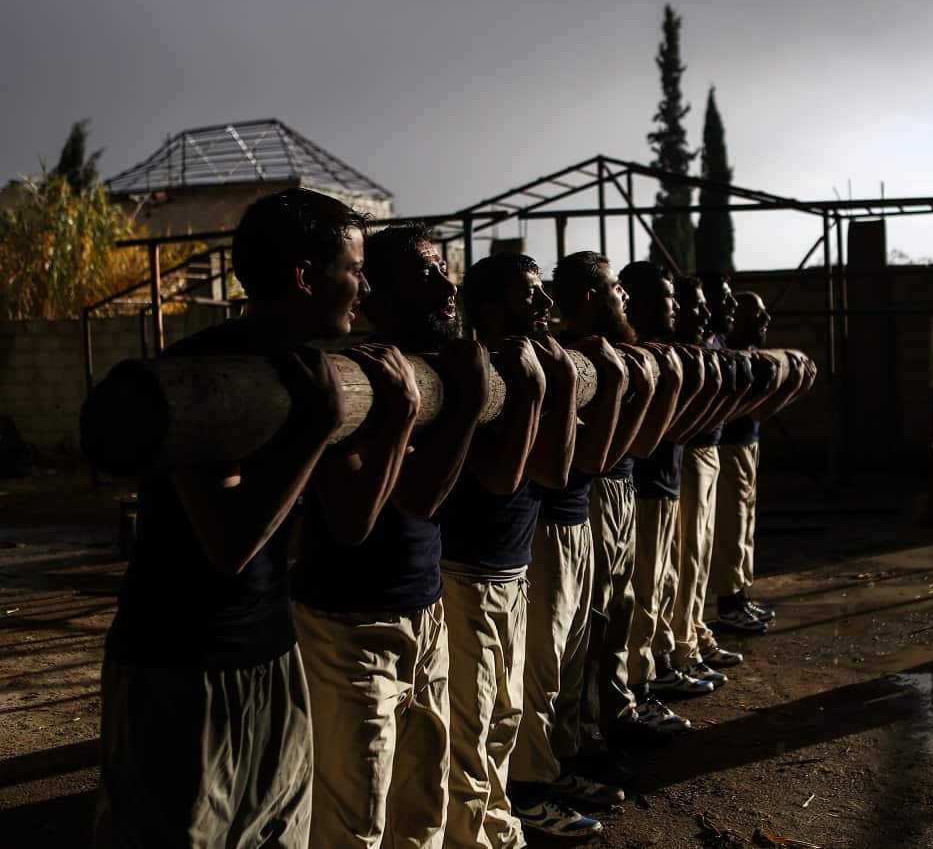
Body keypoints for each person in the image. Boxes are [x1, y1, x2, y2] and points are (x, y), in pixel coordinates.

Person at [94, 188, 367, 847]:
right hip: (181, 666)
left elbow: (354, 516)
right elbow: (229, 542)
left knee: (278, 832)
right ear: (305, 276)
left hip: (271, 653)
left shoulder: (313, 373)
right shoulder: (201, 376)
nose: (364, 285)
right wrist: (316, 429)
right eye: (353, 269)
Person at [291, 223, 490, 847]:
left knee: (423, 802)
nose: (446, 286)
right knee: (354, 820)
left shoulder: (431, 367)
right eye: (424, 275)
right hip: (351, 627)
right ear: (375, 295)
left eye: (443, 271)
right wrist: (465, 403)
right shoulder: (354, 374)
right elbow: (418, 499)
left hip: (423, 610)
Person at [435, 253, 576, 849]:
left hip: (510, 565)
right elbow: (503, 480)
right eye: (529, 295)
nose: (545, 305)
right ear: (491, 309)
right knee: (473, 722)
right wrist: (546, 387)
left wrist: (560, 384)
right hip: (470, 568)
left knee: (504, 714)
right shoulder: (486, 370)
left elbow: (558, 469)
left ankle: (497, 824)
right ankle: (480, 833)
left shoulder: (528, 366)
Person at [507, 251, 629, 838]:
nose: (545, 304)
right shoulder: (527, 359)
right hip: (543, 526)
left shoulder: (570, 358)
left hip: (574, 520)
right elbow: (576, 463)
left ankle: (556, 767)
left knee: (573, 655)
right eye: (614, 289)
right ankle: (528, 787)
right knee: (542, 665)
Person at [621, 264, 724, 704]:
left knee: (664, 582)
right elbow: (654, 434)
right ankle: (646, 680)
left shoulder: (666, 353)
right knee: (643, 593)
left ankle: (663, 664)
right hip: (644, 487)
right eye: (671, 299)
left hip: (664, 483)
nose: (680, 309)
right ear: (640, 304)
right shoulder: (635, 356)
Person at [711, 292, 817, 631]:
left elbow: (759, 411)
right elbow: (744, 410)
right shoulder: (722, 355)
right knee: (731, 525)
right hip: (726, 450)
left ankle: (740, 594)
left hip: (746, 447)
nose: (764, 321)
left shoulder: (753, 356)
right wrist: (786, 389)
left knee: (744, 525)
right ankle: (728, 602)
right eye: (755, 316)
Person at [669, 274, 752, 691]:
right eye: (702, 304)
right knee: (680, 565)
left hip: (704, 453)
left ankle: (694, 637)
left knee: (698, 557)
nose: (712, 311)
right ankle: (678, 652)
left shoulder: (711, 347)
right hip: (681, 463)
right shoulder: (676, 352)